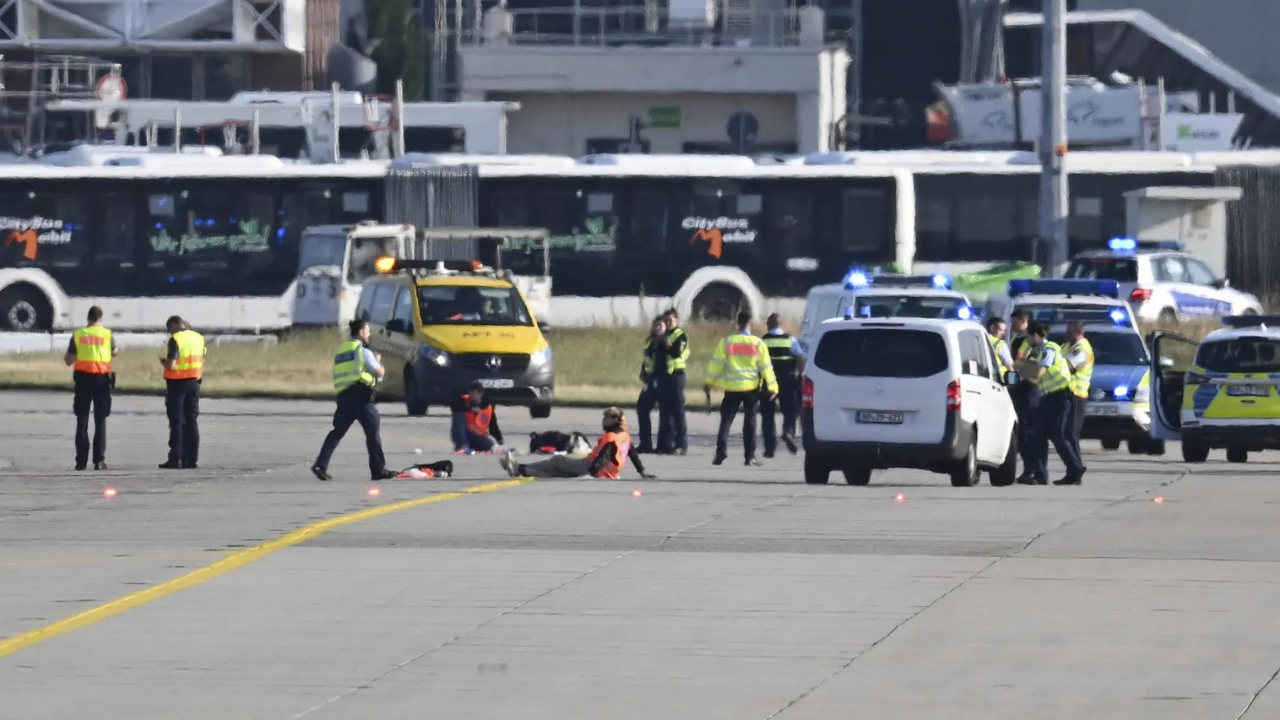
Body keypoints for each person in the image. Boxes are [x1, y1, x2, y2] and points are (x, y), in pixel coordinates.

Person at [312, 319, 396, 481]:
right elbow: (379, 373)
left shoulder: (343, 350)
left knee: (336, 432)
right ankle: (378, 469)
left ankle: (320, 464)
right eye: (367, 330)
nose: (369, 333)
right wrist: (378, 361)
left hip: (344, 396)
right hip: (361, 396)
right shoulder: (363, 351)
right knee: (373, 432)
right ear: (360, 332)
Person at [705, 311, 779, 467]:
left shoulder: (727, 342)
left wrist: (709, 382)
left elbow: (716, 364)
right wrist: (773, 387)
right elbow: (766, 368)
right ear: (750, 323)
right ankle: (749, 457)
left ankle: (721, 451)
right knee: (750, 424)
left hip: (732, 388)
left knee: (726, 421)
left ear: (737, 323)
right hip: (751, 389)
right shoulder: (758, 344)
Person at [1017, 322, 1087, 486]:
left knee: (1059, 435)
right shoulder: (1040, 351)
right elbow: (1035, 377)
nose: (1027, 340)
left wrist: (1023, 368)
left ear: (1035, 335)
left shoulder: (1049, 349)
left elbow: (1039, 372)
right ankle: (1041, 475)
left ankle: (1075, 467)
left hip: (1061, 396)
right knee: (1038, 434)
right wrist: (1025, 370)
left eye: (1028, 336)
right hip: (1050, 397)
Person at [499, 407, 655, 479]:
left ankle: (518, 468)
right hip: (605, 471)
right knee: (554, 472)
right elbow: (633, 455)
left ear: (614, 420)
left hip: (589, 467)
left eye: (606, 418)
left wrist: (591, 474)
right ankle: (519, 469)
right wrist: (642, 472)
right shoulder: (625, 436)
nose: (603, 420)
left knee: (557, 460)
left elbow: (602, 458)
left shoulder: (611, 438)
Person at [63, 306, 118, 471]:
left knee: (82, 420)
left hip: (83, 380)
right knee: (100, 421)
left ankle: (81, 461)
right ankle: (99, 460)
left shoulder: (79, 334)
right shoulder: (107, 334)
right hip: (102, 381)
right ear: (100, 318)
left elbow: (69, 360)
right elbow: (115, 352)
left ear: (88, 318)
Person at [158, 316, 205, 470]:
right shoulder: (198, 338)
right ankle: (191, 459)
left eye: (169, 329)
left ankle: (175, 458)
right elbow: (202, 358)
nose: (169, 332)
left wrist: (163, 362)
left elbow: (171, 364)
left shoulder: (176, 340)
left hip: (177, 384)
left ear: (174, 325)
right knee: (192, 421)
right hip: (194, 383)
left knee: (177, 421)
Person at [759, 313, 801, 457]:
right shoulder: (790, 340)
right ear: (780, 324)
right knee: (790, 411)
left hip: (768, 383)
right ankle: (788, 432)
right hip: (787, 381)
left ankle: (769, 449)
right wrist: (799, 374)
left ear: (769, 324)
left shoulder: (762, 341)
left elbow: (757, 362)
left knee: (767, 415)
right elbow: (800, 358)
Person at [656, 308, 690, 455]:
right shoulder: (661, 336)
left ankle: (681, 444)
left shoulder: (680, 335)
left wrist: (667, 343)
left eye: (670, 320)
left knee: (678, 413)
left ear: (676, 321)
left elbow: (676, 353)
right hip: (664, 377)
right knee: (664, 412)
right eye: (666, 321)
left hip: (676, 377)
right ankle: (664, 443)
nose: (668, 323)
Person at [1064, 320, 1095, 466]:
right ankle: (1074, 468)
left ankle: (1077, 467)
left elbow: (1067, 366)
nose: (1066, 334)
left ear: (1078, 332)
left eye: (1069, 332)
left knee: (1071, 433)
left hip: (1077, 395)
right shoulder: (1068, 346)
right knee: (1067, 433)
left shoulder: (1082, 349)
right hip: (1068, 394)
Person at [635, 315, 667, 453]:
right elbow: (647, 359)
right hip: (649, 380)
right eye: (656, 325)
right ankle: (645, 442)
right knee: (642, 408)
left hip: (662, 380)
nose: (657, 328)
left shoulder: (666, 342)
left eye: (661, 325)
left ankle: (663, 444)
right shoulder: (650, 341)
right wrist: (643, 372)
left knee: (665, 413)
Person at [451, 382, 504, 454]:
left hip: (479, 437)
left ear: (480, 394)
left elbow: (493, 426)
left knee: (492, 445)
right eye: (469, 393)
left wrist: (500, 440)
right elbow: (455, 407)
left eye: (473, 394)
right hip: (465, 435)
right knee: (458, 414)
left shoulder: (487, 408)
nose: (470, 396)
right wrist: (470, 409)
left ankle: (493, 447)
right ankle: (461, 446)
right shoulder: (463, 401)